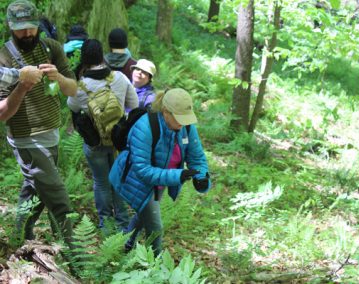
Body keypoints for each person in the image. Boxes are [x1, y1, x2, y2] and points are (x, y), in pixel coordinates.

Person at [0, 0, 77, 245]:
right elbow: (2, 114)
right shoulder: (4, 57)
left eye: (31, 27)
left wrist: (58, 77)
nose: (27, 33)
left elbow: (73, 89)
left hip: (51, 132)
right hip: (26, 137)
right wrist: (22, 86)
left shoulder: (51, 47)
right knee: (58, 197)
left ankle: (19, 237)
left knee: (33, 190)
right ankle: (73, 254)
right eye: (20, 28)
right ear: (10, 26)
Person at [109, 88, 211, 256]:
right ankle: (154, 267)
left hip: (161, 181)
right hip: (135, 180)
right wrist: (178, 175)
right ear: (165, 112)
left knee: (144, 215)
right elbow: (142, 169)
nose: (183, 123)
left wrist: (202, 177)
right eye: (179, 119)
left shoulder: (186, 127)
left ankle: (125, 244)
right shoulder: (145, 126)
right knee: (155, 227)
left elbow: (197, 156)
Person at [67, 39, 138, 233]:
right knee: (118, 179)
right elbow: (135, 103)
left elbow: (72, 107)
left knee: (101, 182)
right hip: (118, 141)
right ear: (102, 56)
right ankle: (123, 223)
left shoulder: (81, 87)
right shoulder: (120, 78)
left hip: (95, 142)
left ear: (84, 59)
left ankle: (105, 225)